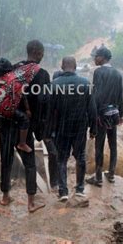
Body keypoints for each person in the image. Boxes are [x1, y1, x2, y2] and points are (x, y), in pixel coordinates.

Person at [0, 40, 50, 213]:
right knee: (29, 163)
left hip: (6, 121)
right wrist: (41, 129)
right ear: (38, 52)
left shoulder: (14, 68)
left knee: (6, 160)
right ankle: (31, 203)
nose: (42, 56)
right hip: (23, 127)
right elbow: (43, 102)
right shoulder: (41, 74)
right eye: (42, 53)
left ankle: (5, 197)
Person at [49, 57, 96, 201]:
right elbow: (92, 109)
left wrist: (48, 131)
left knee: (61, 159)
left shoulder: (54, 85)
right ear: (75, 67)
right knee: (80, 157)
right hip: (80, 127)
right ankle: (80, 189)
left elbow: (50, 111)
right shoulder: (85, 84)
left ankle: (63, 192)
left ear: (62, 66)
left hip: (61, 128)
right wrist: (93, 129)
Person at [87, 46, 123, 187]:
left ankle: (98, 177)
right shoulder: (118, 74)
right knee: (113, 144)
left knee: (99, 145)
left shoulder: (99, 72)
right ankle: (112, 174)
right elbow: (120, 95)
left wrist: (93, 115)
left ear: (103, 57)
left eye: (96, 56)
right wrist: (121, 114)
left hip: (101, 114)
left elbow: (96, 95)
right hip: (114, 113)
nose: (95, 59)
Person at [0, 58, 33, 153]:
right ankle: (22, 143)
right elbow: (23, 96)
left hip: (2, 115)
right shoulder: (13, 80)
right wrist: (27, 109)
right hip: (11, 112)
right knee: (25, 120)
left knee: (6, 154)